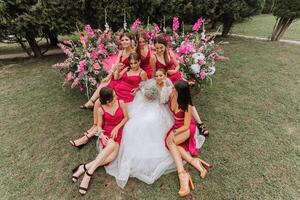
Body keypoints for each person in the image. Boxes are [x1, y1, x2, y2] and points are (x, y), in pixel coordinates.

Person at [104, 69, 176, 188]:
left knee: (149, 121)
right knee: (133, 122)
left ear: (165, 75)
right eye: (157, 75)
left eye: (161, 75)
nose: (158, 78)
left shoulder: (168, 84)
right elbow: (143, 86)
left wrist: (163, 88)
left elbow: (164, 101)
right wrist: (145, 93)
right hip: (146, 104)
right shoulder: (152, 81)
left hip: (158, 106)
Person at [69, 52, 147, 147]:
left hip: (126, 97)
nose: (133, 65)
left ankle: (86, 138)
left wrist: (138, 88)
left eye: (135, 63)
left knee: (107, 114)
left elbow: (145, 85)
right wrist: (118, 69)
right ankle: (95, 125)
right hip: (116, 93)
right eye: (131, 63)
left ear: (139, 62)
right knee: (98, 102)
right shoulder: (127, 69)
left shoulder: (142, 73)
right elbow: (117, 77)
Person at [71, 87, 128, 195]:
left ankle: (84, 168)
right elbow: (98, 126)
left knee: (111, 157)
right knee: (111, 145)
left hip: (118, 132)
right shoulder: (100, 109)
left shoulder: (120, 102)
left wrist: (117, 127)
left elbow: (126, 117)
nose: (116, 95)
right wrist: (101, 135)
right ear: (108, 100)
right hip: (107, 133)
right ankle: (88, 174)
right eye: (114, 95)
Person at [165, 80, 211, 197]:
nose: (172, 90)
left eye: (175, 89)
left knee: (171, 142)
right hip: (176, 126)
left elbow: (186, 125)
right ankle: (193, 161)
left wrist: (174, 132)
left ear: (182, 93)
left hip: (186, 128)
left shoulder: (187, 106)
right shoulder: (172, 95)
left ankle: (182, 174)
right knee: (171, 143)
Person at [80, 32, 135, 109]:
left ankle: (95, 102)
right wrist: (109, 75)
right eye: (122, 40)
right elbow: (116, 64)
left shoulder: (133, 53)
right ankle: (91, 102)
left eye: (126, 40)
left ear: (131, 41)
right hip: (118, 73)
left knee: (109, 84)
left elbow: (134, 66)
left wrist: (121, 72)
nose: (124, 42)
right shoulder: (121, 52)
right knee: (104, 81)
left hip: (126, 75)